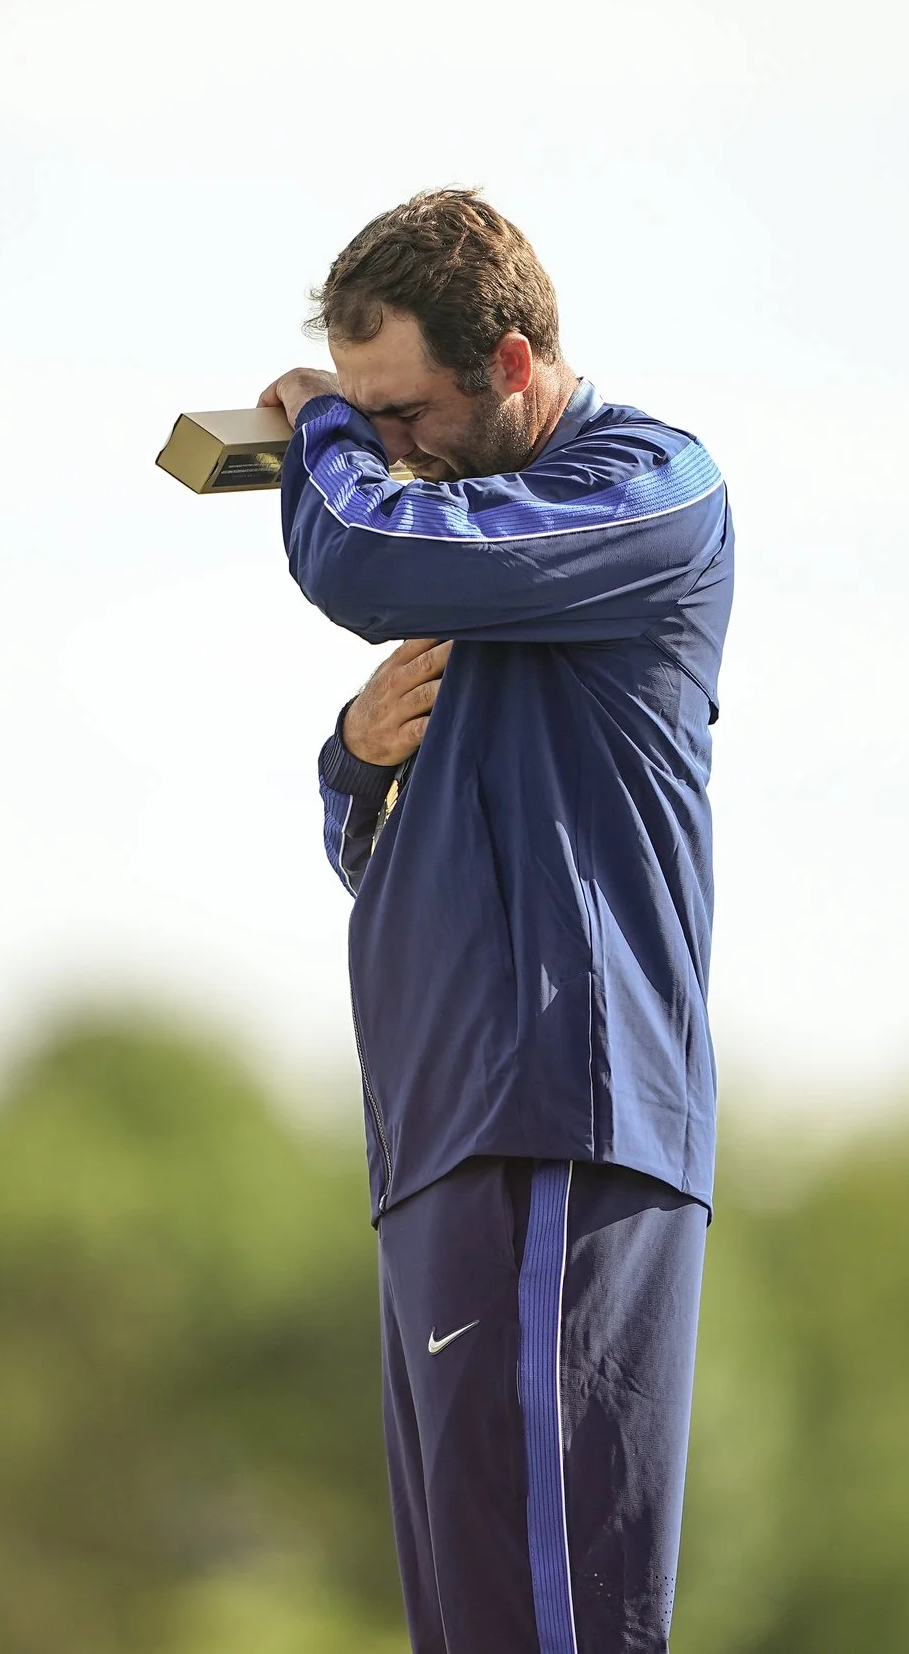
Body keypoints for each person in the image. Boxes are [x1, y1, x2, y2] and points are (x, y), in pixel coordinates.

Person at [259, 189, 734, 1654]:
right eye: (364, 413)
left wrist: (321, 438)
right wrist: (355, 752)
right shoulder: (472, 524)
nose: (386, 440)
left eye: (403, 407)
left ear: (516, 361)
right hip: (443, 1133)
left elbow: (368, 552)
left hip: (557, 1122)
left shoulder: (651, 484)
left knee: (552, 1622)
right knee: (479, 1622)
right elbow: (387, 853)